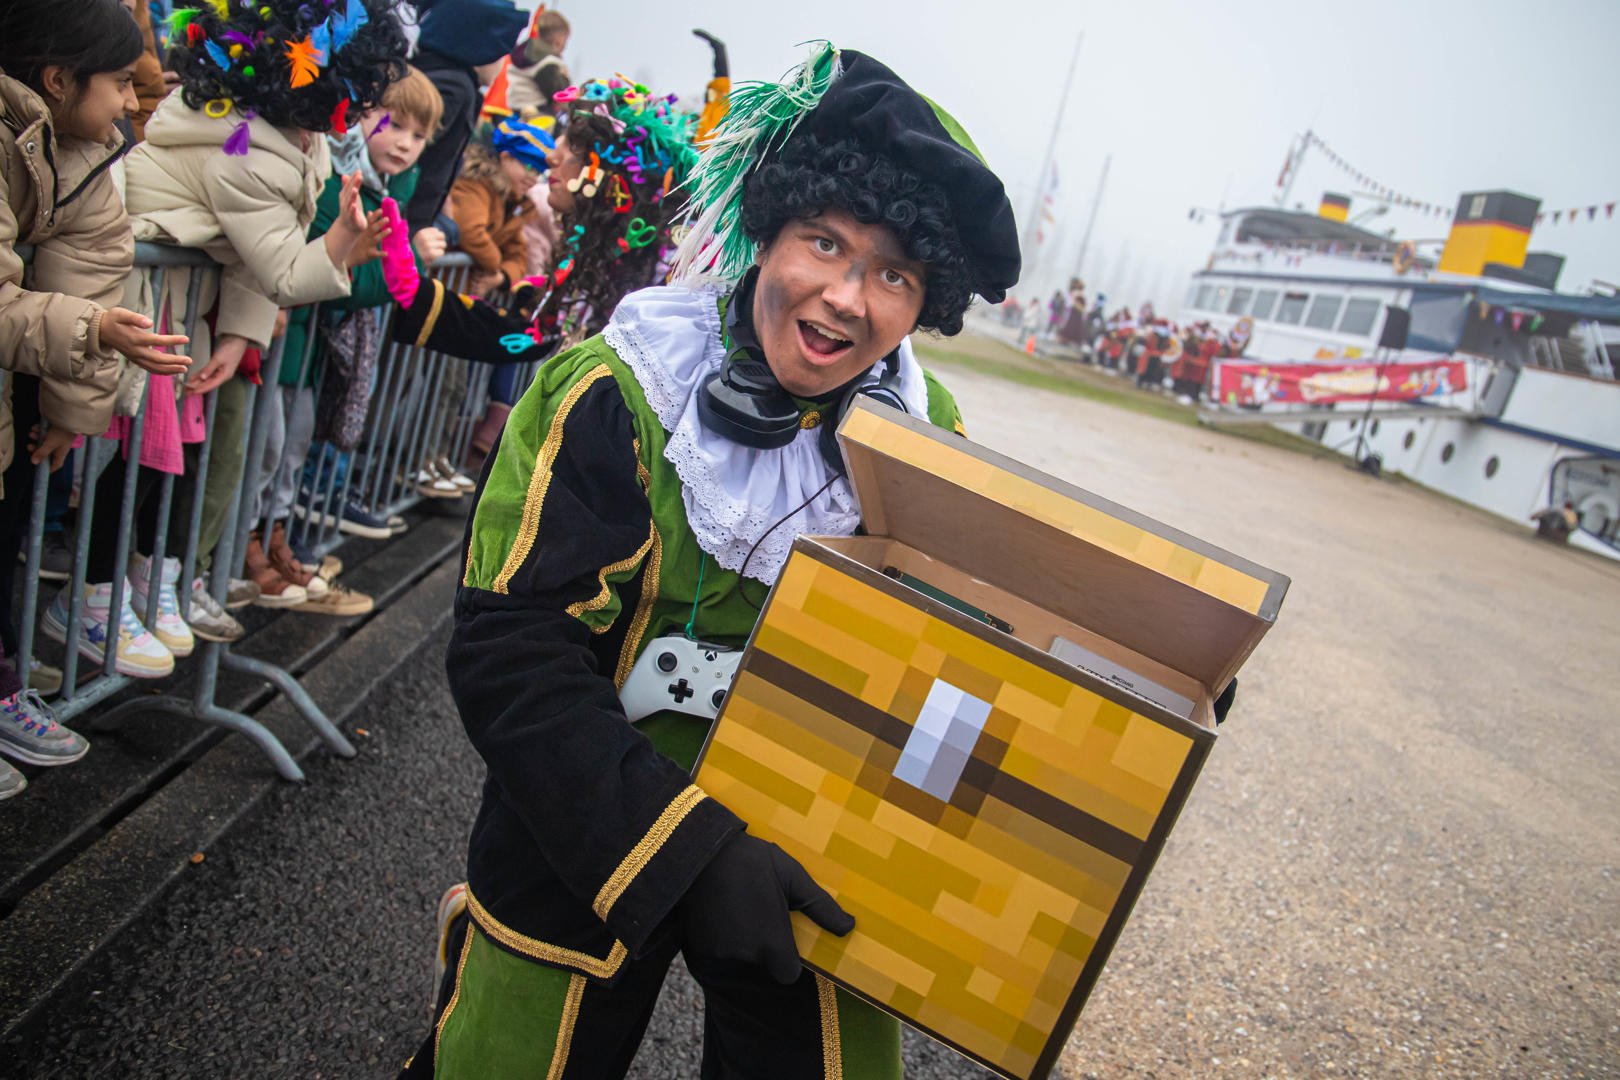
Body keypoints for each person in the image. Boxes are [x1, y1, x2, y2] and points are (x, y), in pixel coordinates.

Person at [402, 43, 1019, 1077]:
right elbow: (514, 653)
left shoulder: (927, 429)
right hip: (583, 820)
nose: (844, 299)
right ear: (767, 231)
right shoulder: (622, 388)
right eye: (823, 243)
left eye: (893, 274)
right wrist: (687, 858)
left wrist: (1119, 668)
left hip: (810, 842)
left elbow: (962, 634)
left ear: (924, 305)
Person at [46, 0, 409, 671]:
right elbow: (280, 265)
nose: (353, 119)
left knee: (166, 461)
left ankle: (131, 585)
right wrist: (341, 248)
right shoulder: (249, 153)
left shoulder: (276, 139)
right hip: (137, 312)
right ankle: (91, 597)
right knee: (131, 463)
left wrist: (238, 335)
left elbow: (244, 256)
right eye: (350, 103)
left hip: (181, 312)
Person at [0, 0, 199, 795]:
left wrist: (69, 413)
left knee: (11, 524)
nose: (130, 102)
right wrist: (95, 332)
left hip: (24, 366)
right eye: (119, 82)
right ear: (57, 79)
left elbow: (90, 266)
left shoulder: (80, 143)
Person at [251, 65, 450, 619]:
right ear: (361, 117)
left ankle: (274, 542)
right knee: (266, 452)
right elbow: (326, 276)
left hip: (309, 355)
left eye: (418, 134)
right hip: (280, 349)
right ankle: (246, 552)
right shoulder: (339, 183)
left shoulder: (387, 189)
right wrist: (393, 269)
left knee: (288, 451)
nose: (406, 143)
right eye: (394, 125)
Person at [403, 0, 528, 236]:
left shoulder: (433, 73)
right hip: (404, 227)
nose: (502, 66)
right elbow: (410, 163)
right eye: (499, 55)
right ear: (479, 47)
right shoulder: (454, 88)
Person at [447, 116, 546, 298]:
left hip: (462, 295)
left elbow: (518, 255)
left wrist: (501, 277)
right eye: (529, 166)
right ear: (506, 157)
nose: (534, 178)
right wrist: (495, 263)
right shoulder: (475, 182)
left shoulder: (517, 202)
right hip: (441, 287)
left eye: (539, 172)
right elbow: (470, 231)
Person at [501, 9, 571, 118]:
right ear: (559, 39)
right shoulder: (548, 63)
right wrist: (564, 78)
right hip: (538, 113)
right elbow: (558, 94)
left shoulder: (524, 52)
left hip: (515, 108)